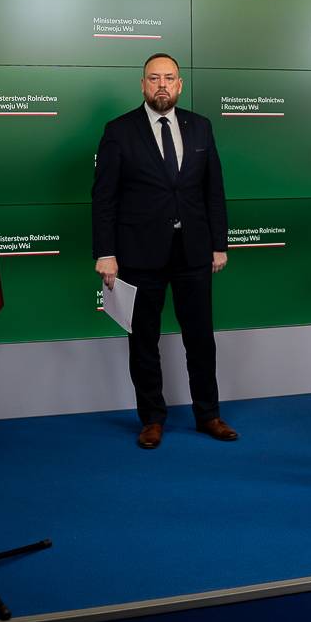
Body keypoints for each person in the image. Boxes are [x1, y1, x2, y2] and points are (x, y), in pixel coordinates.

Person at [92, 53, 238, 449]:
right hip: (139, 253)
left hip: (193, 251)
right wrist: (105, 251)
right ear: (143, 85)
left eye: (169, 78)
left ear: (180, 85)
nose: (162, 85)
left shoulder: (201, 126)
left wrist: (219, 244)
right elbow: (104, 198)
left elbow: (213, 190)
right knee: (143, 341)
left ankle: (208, 414)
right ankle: (152, 419)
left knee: (200, 338)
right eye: (154, 78)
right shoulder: (119, 131)